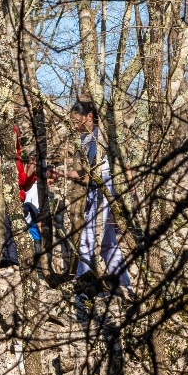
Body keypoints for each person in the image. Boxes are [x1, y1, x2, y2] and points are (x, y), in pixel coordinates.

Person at [69, 99, 125, 287]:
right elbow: (86, 173)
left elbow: (118, 165)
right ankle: (124, 285)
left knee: (87, 239)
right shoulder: (86, 139)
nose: (75, 126)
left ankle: (83, 284)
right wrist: (62, 173)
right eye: (72, 122)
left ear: (89, 116)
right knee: (108, 244)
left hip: (105, 189)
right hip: (95, 189)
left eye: (77, 121)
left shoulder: (102, 137)